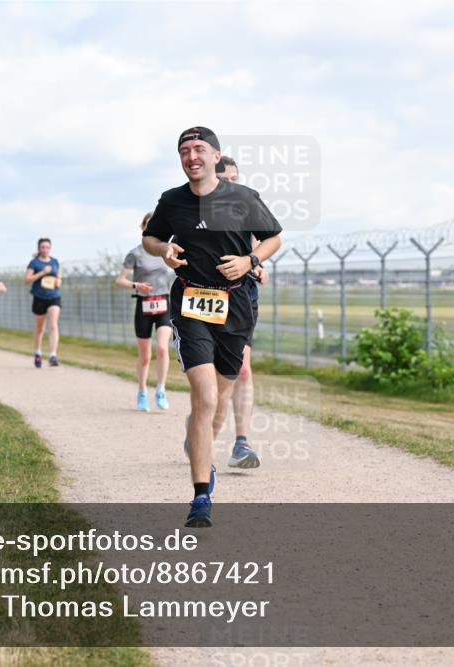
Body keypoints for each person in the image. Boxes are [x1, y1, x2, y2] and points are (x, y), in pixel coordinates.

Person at [142, 126, 282, 527]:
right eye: (185, 150)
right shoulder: (172, 200)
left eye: (199, 149)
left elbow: (273, 238)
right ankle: (201, 495)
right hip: (191, 303)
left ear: (215, 156)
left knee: (220, 397)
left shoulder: (243, 197)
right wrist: (164, 249)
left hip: (235, 305)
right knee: (204, 398)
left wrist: (250, 261)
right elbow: (151, 238)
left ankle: (204, 448)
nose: (192, 156)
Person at [216, 156, 268, 469]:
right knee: (213, 375)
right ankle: (202, 426)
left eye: (236, 179)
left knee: (242, 370)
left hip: (243, 294)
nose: (233, 185)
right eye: (226, 180)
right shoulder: (197, 211)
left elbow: (262, 243)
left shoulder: (247, 206)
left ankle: (241, 443)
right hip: (208, 296)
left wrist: (257, 265)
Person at [116, 212, 175, 412]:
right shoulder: (135, 253)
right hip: (144, 305)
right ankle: (142, 391)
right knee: (145, 357)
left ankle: (161, 389)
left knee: (163, 348)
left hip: (163, 303)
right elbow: (120, 280)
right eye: (147, 225)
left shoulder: (166, 250)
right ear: (142, 228)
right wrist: (136, 285)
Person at [25, 238, 62, 368]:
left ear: (50, 248)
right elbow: (27, 279)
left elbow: (59, 276)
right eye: (42, 247)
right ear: (38, 248)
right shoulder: (34, 263)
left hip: (54, 296)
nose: (45, 249)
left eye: (47, 247)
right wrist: (42, 273)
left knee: (53, 325)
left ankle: (53, 355)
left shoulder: (55, 261)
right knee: (40, 328)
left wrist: (58, 281)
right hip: (39, 297)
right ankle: (38, 352)